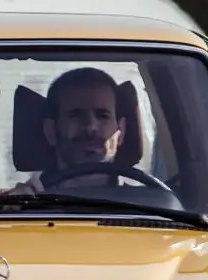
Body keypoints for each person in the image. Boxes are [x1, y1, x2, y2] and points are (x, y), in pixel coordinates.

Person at [9, 66, 129, 195]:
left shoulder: (142, 202)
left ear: (120, 131)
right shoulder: (23, 203)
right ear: (51, 131)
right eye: (76, 116)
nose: (91, 127)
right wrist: (20, 204)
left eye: (103, 116)